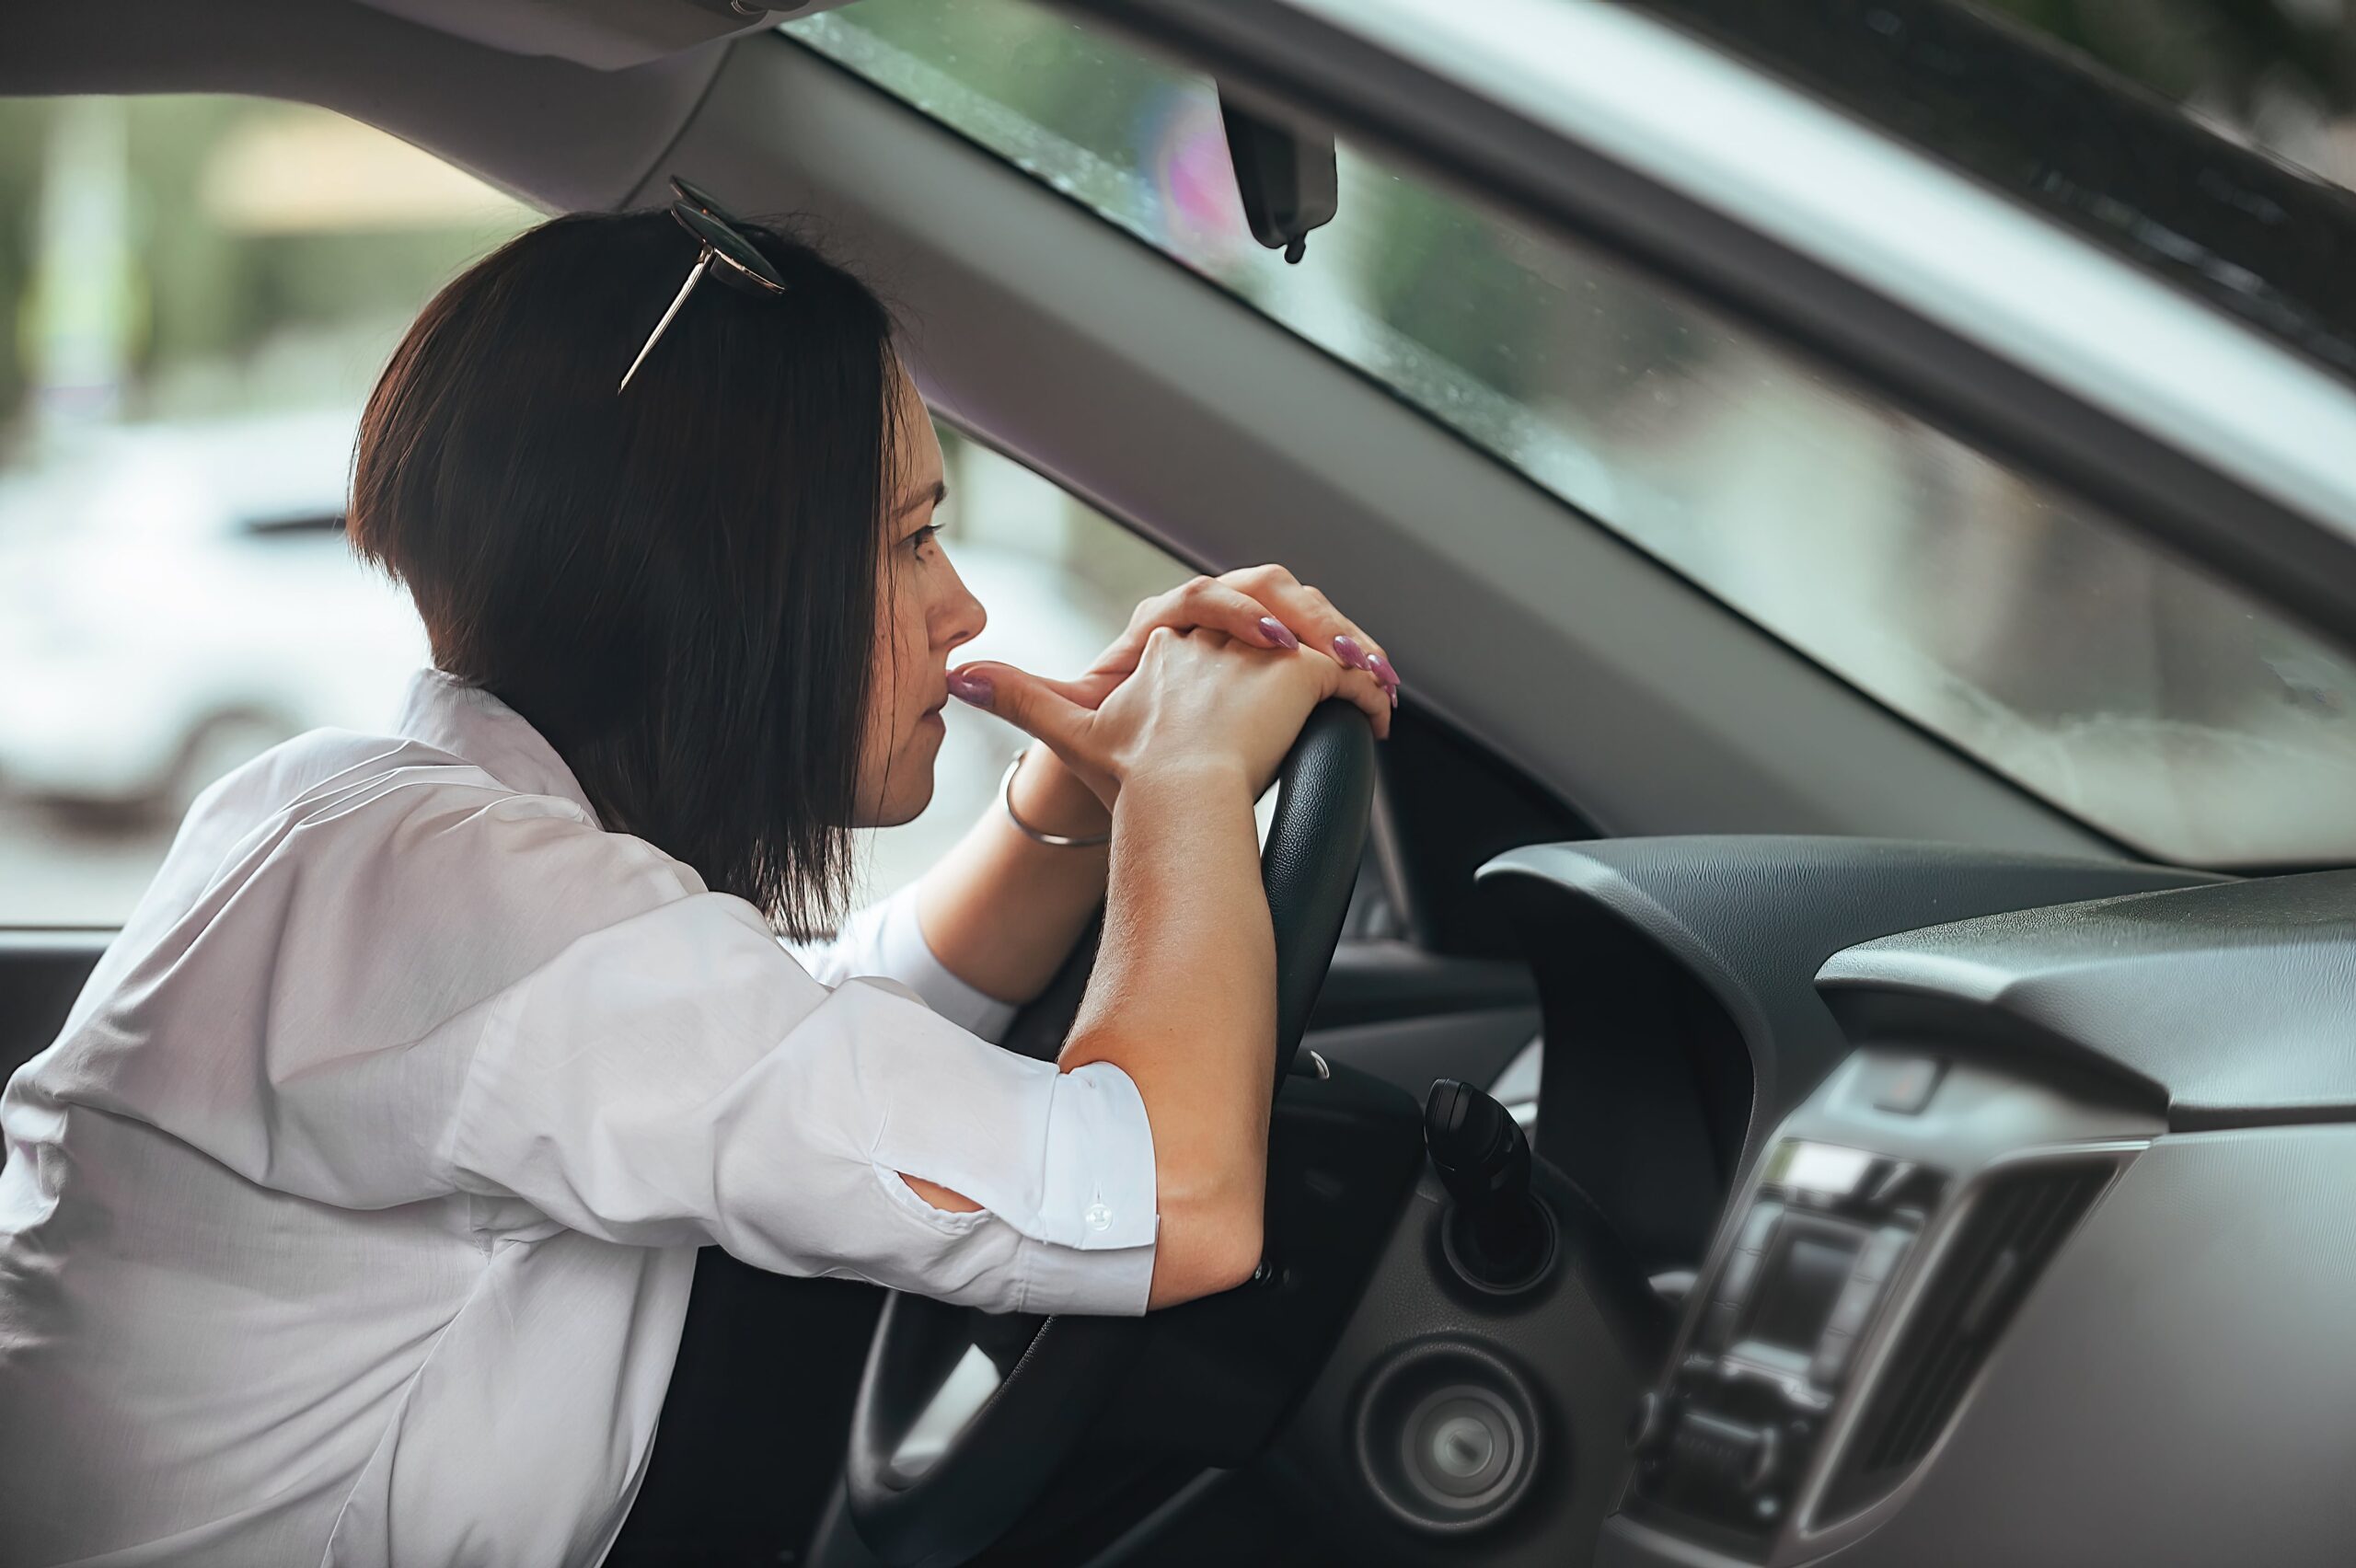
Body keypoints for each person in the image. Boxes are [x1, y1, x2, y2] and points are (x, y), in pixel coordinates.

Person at [0, 201, 1399, 1567]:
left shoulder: (355, 824)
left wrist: (1081, 795)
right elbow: (1172, 1201)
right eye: (910, 539)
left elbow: (786, 1040)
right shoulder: (505, 919)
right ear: (718, 586)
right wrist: (1184, 785)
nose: (962, 607)